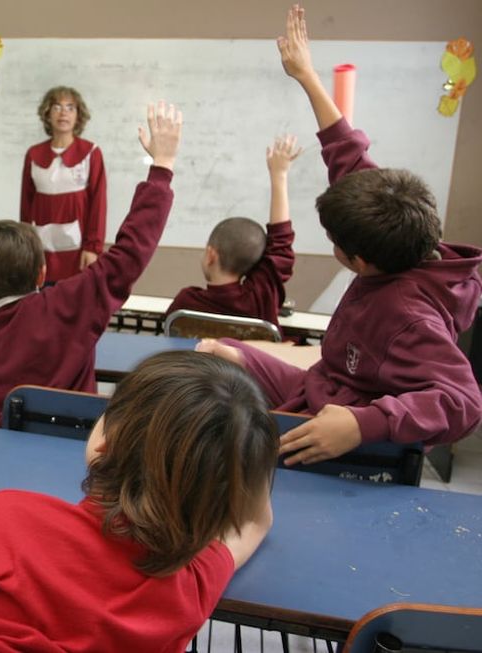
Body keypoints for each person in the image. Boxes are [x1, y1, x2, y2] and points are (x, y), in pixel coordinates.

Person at [198, 4, 482, 466]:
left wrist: (363, 424)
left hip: (337, 425)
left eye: (334, 242)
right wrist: (307, 75)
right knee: (215, 351)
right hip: (322, 385)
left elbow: (465, 401)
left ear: (362, 261)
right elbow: (347, 156)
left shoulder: (408, 315)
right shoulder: (399, 228)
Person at [0, 351, 278, 652]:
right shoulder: (190, 586)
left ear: (104, 443)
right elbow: (256, 523)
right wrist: (240, 444)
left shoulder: (2, 520)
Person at [0, 100, 181, 427]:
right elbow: (130, 252)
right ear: (42, 270)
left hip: (7, 445)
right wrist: (162, 167)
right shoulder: (66, 307)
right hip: (75, 443)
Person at [165, 135, 300, 327]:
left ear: (211, 255)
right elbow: (281, 244)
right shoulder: (260, 298)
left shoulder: (185, 306)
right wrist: (279, 175)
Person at [20, 86, 106, 283]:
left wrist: (92, 248)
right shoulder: (33, 154)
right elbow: (26, 206)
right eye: (57, 107)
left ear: (78, 115)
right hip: (42, 252)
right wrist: (25, 248)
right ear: (47, 114)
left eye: (70, 107)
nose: (63, 113)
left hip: (78, 253)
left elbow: (98, 206)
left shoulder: (91, 153)